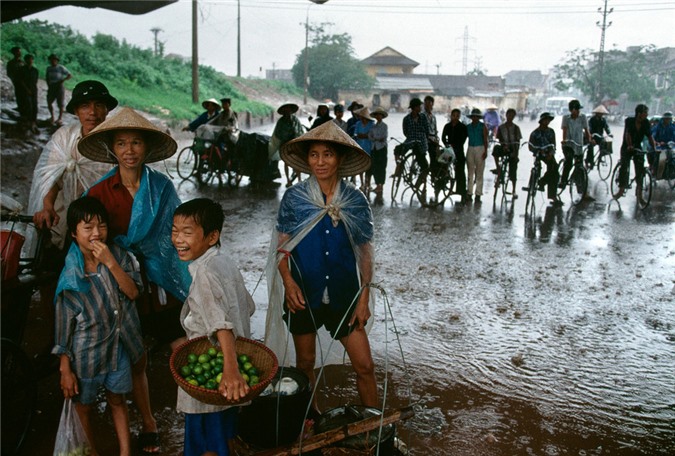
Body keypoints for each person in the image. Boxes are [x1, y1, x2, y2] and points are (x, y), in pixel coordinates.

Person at [79, 107, 191, 455]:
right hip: (122, 285)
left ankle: (198, 416)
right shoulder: (98, 193)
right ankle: (149, 423)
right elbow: (90, 243)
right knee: (138, 358)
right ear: (113, 149)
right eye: (122, 143)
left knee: (182, 349)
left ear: (147, 148)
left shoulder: (162, 186)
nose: (129, 150)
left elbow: (178, 233)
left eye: (136, 142)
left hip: (161, 282)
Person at [264, 121, 377, 409]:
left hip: (344, 293)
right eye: (314, 155)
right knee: (305, 364)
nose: (320, 162)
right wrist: (288, 282)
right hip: (304, 291)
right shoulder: (295, 198)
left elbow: (365, 251)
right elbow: (282, 247)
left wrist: (364, 298)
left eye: (328, 154)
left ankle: (375, 422)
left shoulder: (354, 199)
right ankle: (310, 418)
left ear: (340, 158)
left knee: (364, 365)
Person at [53, 196, 144, 456]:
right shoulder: (71, 277)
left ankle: (125, 453)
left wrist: (111, 263)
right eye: (88, 227)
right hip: (85, 356)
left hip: (117, 348)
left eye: (101, 225)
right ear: (73, 233)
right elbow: (63, 329)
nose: (96, 233)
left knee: (118, 400)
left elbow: (133, 293)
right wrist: (65, 369)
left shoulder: (119, 256)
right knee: (84, 406)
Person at [171, 198, 255, 456]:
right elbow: (247, 306)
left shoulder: (205, 274)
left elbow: (222, 326)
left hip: (216, 378)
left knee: (207, 444)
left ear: (211, 236)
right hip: (234, 362)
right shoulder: (223, 261)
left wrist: (230, 371)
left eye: (187, 232)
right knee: (224, 434)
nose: (178, 239)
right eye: (174, 231)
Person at [28, 80, 118, 254]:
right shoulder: (64, 136)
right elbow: (51, 177)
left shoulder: (115, 142)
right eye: (85, 106)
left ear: (107, 109)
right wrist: (47, 206)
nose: (92, 112)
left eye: (99, 105)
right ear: (76, 111)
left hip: (101, 222)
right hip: (64, 216)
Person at [614, 104, 656, 202]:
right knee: (625, 166)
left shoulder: (646, 123)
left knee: (640, 169)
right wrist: (629, 145)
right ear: (639, 113)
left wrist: (654, 148)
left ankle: (639, 194)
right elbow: (627, 134)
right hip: (627, 147)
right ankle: (621, 189)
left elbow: (650, 137)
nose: (646, 114)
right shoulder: (629, 121)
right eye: (645, 112)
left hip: (637, 147)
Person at [560, 99, 592, 199]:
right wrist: (564, 140)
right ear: (572, 110)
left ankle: (582, 191)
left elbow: (586, 130)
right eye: (576, 109)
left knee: (579, 166)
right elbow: (564, 130)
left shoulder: (583, 117)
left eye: (578, 109)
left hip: (578, 145)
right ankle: (563, 181)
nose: (578, 111)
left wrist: (589, 139)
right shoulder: (566, 118)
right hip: (568, 145)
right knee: (569, 162)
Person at [529, 112, 562, 206]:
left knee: (555, 169)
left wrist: (550, 153)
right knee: (540, 166)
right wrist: (539, 151)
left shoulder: (551, 132)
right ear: (541, 120)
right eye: (545, 120)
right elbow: (531, 146)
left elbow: (553, 145)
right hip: (538, 153)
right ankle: (540, 181)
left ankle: (549, 191)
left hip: (548, 154)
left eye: (548, 120)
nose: (547, 121)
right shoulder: (535, 133)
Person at [268, 102, 305, 188]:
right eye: (286, 109)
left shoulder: (295, 120)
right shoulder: (281, 121)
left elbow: (300, 131)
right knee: (286, 163)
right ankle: (288, 180)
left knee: (297, 162)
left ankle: (299, 180)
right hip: (284, 145)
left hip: (294, 144)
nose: (287, 111)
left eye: (289, 109)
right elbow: (278, 133)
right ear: (283, 111)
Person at [402, 98, 431, 192]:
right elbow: (405, 132)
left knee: (424, 165)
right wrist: (412, 137)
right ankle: (399, 170)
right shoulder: (406, 119)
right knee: (398, 150)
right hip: (410, 141)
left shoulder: (423, 117)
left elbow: (427, 130)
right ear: (414, 108)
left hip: (421, 142)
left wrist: (422, 137)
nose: (420, 108)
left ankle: (420, 180)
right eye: (419, 106)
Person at [442, 108, 469, 204]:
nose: (455, 118)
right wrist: (447, 144)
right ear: (451, 116)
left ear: (459, 116)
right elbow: (443, 137)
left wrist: (456, 145)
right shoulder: (447, 126)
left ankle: (461, 192)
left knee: (460, 171)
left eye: (458, 116)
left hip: (459, 151)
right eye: (454, 115)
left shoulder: (462, 127)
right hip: (448, 150)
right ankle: (442, 186)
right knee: (442, 166)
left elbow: (464, 138)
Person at [495, 108, 523, 197]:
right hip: (504, 147)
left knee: (513, 169)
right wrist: (504, 145)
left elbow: (518, 141)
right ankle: (498, 167)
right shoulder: (501, 127)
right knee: (495, 149)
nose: (510, 117)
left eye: (512, 115)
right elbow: (499, 138)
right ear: (506, 115)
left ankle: (514, 189)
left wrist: (516, 153)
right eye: (509, 115)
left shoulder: (516, 128)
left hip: (513, 149)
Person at [466, 108, 488, 203]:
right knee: (470, 171)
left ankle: (478, 194)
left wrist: (485, 151)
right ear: (471, 117)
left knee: (479, 172)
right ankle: (469, 193)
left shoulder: (483, 126)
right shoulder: (468, 127)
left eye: (476, 116)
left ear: (479, 117)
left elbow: (485, 139)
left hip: (480, 148)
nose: (475, 118)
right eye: (473, 116)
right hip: (470, 148)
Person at [368, 106, 389, 199]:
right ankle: (378, 185)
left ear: (382, 116)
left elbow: (383, 137)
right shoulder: (373, 126)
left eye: (379, 115)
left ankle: (381, 185)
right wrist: (376, 138)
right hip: (374, 148)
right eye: (377, 115)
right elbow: (370, 136)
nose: (378, 116)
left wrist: (375, 138)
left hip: (382, 148)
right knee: (375, 167)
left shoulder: (384, 126)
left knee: (382, 167)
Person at [45, 54, 72, 125]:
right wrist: (48, 85)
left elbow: (69, 75)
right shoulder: (49, 68)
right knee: (49, 101)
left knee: (60, 103)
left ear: (57, 61)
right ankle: (52, 117)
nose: (53, 61)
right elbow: (47, 77)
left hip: (59, 86)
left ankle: (60, 118)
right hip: (51, 86)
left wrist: (63, 80)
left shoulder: (61, 68)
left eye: (54, 60)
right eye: (51, 60)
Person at [353, 106, 374, 192]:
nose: (361, 118)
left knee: (369, 166)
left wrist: (364, 135)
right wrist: (363, 135)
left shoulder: (372, 124)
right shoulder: (358, 124)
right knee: (361, 165)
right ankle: (362, 183)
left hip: (369, 147)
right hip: (360, 146)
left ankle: (368, 182)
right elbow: (355, 133)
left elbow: (371, 135)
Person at [21, 54, 39, 133]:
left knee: (34, 105)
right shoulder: (22, 69)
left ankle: (33, 122)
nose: (30, 61)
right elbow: (21, 81)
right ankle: (27, 121)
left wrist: (32, 89)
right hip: (25, 90)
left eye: (31, 59)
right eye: (28, 59)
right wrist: (27, 89)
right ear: (25, 60)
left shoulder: (35, 70)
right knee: (28, 105)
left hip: (34, 89)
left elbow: (35, 81)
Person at [6, 46, 26, 119]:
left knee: (24, 95)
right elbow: (9, 73)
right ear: (14, 53)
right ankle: (20, 107)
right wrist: (13, 79)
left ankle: (23, 109)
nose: (19, 53)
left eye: (20, 51)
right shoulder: (11, 63)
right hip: (17, 81)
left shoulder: (23, 62)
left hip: (24, 82)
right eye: (18, 51)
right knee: (18, 94)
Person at [422, 96, 440, 170]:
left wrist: (436, 139)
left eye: (429, 103)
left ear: (432, 104)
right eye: (426, 103)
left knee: (437, 155)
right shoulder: (422, 115)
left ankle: (434, 172)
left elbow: (435, 129)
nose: (427, 105)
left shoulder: (433, 117)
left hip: (433, 139)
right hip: (425, 139)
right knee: (432, 153)